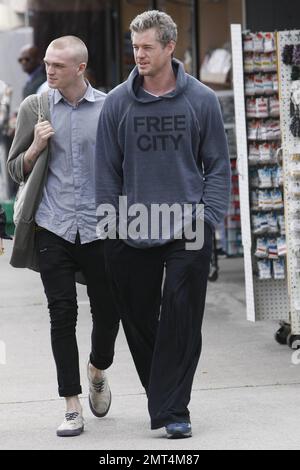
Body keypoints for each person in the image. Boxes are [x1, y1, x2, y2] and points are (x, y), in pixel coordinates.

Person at [95, 10, 231, 439]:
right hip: (131, 225)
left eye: (147, 47)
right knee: (138, 317)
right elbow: (106, 172)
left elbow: (218, 167)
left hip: (188, 225)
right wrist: (110, 228)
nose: (139, 55)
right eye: (134, 47)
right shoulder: (118, 101)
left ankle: (175, 410)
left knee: (181, 315)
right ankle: (166, 396)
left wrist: (208, 219)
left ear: (170, 47)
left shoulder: (202, 100)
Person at [8, 36, 119, 437]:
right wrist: (36, 146)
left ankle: (97, 367)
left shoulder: (109, 108)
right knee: (61, 314)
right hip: (52, 226)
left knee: (109, 311)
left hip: (100, 229)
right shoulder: (34, 108)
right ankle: (72, 405)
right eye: (48, 63)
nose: (48, 70)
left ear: (79, 69)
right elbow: (14, 170)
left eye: (57, 65)